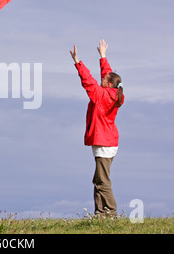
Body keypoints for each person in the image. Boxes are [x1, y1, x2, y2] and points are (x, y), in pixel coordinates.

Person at [69, 40, 124, 217]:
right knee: (98, 179)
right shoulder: (113, 93)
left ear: (108, 85)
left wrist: (78, 62)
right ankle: (100, 213)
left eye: (104, 80)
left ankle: (111, 212)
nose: (102, 79)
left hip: (103, 143)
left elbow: (88, 81)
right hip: (108, 141)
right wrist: (103, 56)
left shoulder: (100, 96)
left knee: (103, 181)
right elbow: (107, 74)